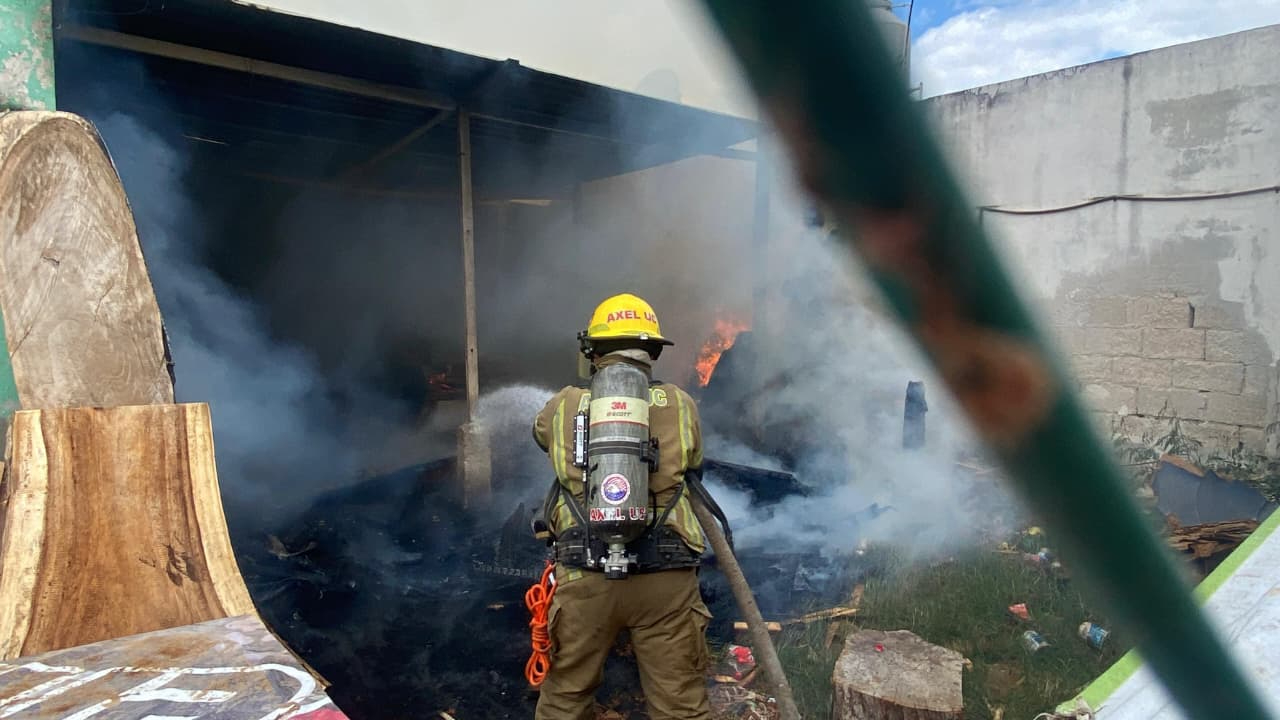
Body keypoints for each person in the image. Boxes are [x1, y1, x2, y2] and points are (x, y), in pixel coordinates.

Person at [531, 292, 712, 720]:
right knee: (680, 705)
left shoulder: (563, 404)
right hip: (664, 578)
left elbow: (541, 436)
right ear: (652, 352)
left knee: (566, 697)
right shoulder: (680, 404)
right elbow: (694, 463)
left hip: (584, 575)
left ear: (593, 351)